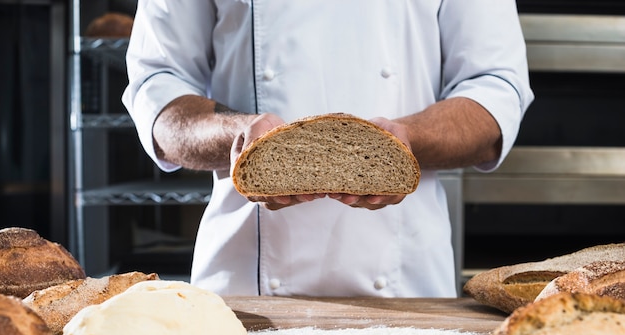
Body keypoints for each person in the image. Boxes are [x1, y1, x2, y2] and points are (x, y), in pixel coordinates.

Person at [122, 1, 534, 298]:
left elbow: (495, 88)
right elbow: (158, 91)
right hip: (246, 290)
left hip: (406, 290)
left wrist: (401, 143)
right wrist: (243, 136)